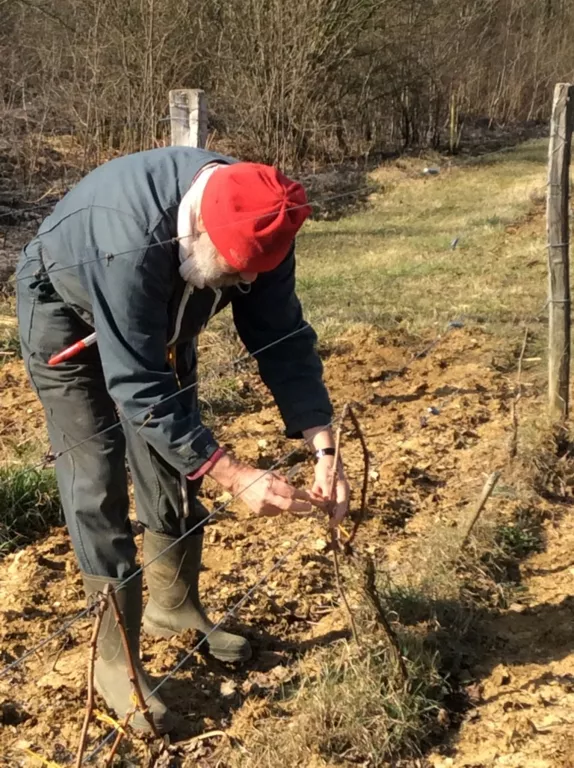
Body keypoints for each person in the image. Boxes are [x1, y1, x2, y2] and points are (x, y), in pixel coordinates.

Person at [15, 147, 350, 733]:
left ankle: (174, 608)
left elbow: (284, 337)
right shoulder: (127, 239)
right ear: (198, 230)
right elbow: (137, 388)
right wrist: (234, 474)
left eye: (254, 272)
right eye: (235, 270)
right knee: (96, 474)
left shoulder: (266, 219)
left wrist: (324, 443)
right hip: (66, 310)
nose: (245, 282)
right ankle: (113, 662)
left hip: (166, 304)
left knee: (173, 462)